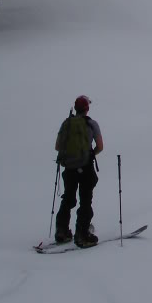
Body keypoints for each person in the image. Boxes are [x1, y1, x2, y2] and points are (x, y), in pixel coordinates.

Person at [54, 95, 104, 247]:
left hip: (69, 168)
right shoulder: (91, 124)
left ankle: (62, 232)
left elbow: (57, 147)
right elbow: (100, 146)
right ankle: (82, 235)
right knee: (85, 200)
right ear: (87, 108)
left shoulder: (66, 123)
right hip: (86, 167)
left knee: (68, 198)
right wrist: (89, 154)